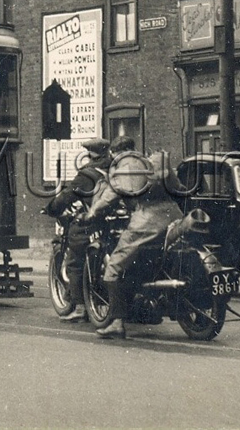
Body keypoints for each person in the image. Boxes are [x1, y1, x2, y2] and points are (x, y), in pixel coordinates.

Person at [86, 136, 182, 339]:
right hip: (175, 216)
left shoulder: (124, 168)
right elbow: (178, 188)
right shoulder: (154, 162)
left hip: (146, 222)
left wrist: (92, 212)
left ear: (114, 153)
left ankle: (117, 323)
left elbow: (109, 198)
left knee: (114, 267)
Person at [41, 137, 112, 322]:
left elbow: (67, 195)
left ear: (91, 154)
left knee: (75, 257)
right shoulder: (116, 167)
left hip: (96, 220)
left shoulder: (87, 174)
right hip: (118, 220)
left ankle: (80, 307)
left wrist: (51, 208)